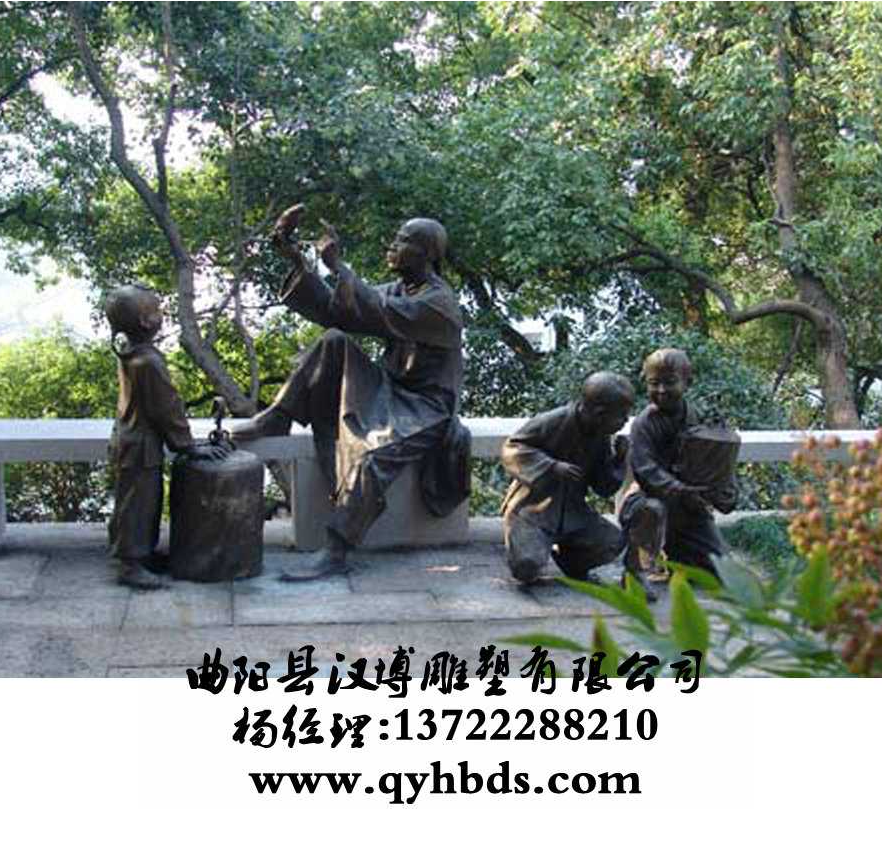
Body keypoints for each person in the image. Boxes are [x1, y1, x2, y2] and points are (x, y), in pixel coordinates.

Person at [232, 207, 468, 580]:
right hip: (391, 389)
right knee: (333, 340)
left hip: (426, 407)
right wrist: (295, 256)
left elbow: (376, 310)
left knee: (371, 457)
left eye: (403, 240)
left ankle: (336, 550)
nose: (392, 245)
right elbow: (338, 311)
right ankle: (278, 417)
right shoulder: (400, 289)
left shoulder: (438, 304)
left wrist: (338, 266)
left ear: (427, 254)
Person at [105, 285, 226, 590]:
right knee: (138, 504)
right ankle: (130, 563)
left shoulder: (130, 350)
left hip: (130, 438)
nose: (162, 314)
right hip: (140, 445)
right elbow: (167, 408)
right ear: (146, 322)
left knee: (138, 499)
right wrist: (187, 446)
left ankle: (141, 554)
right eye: (156, 310)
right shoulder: (148, 362)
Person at [620, 347, 737, 601]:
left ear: (687, 382)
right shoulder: (644, 424)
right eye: (654, 383)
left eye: (670, 382)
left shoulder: (701, 418)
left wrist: (724, 489)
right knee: (651, 510)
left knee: (725, 573)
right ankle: (634, 573)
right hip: (648, 499)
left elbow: (719, 458)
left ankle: (682, 558)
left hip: (690, 508)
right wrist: (680, 489)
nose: (661, 390)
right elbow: (645, 470)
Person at [499, 372, 634, 584]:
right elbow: (512, 449)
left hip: (573, 513)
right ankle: (535, 549)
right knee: (526, 566)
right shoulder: (552, 421)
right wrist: (551, 466)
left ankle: (571, 563)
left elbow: (603, 488)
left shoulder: (601, 436)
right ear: (600, 413)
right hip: (533, 510)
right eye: (622, 415)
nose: (625, 421)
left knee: (613, 543)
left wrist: (619, 461)